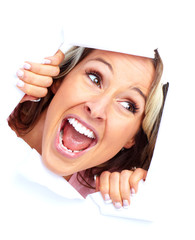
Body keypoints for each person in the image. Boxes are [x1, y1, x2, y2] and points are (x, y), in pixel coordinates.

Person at [9, 46, 165, 209]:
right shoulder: (2, 104)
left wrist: (141, 189)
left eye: (127, 105)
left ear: (132, 137)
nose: (97, 110)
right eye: (95, 78)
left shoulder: (101, 195)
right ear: (61, 79)